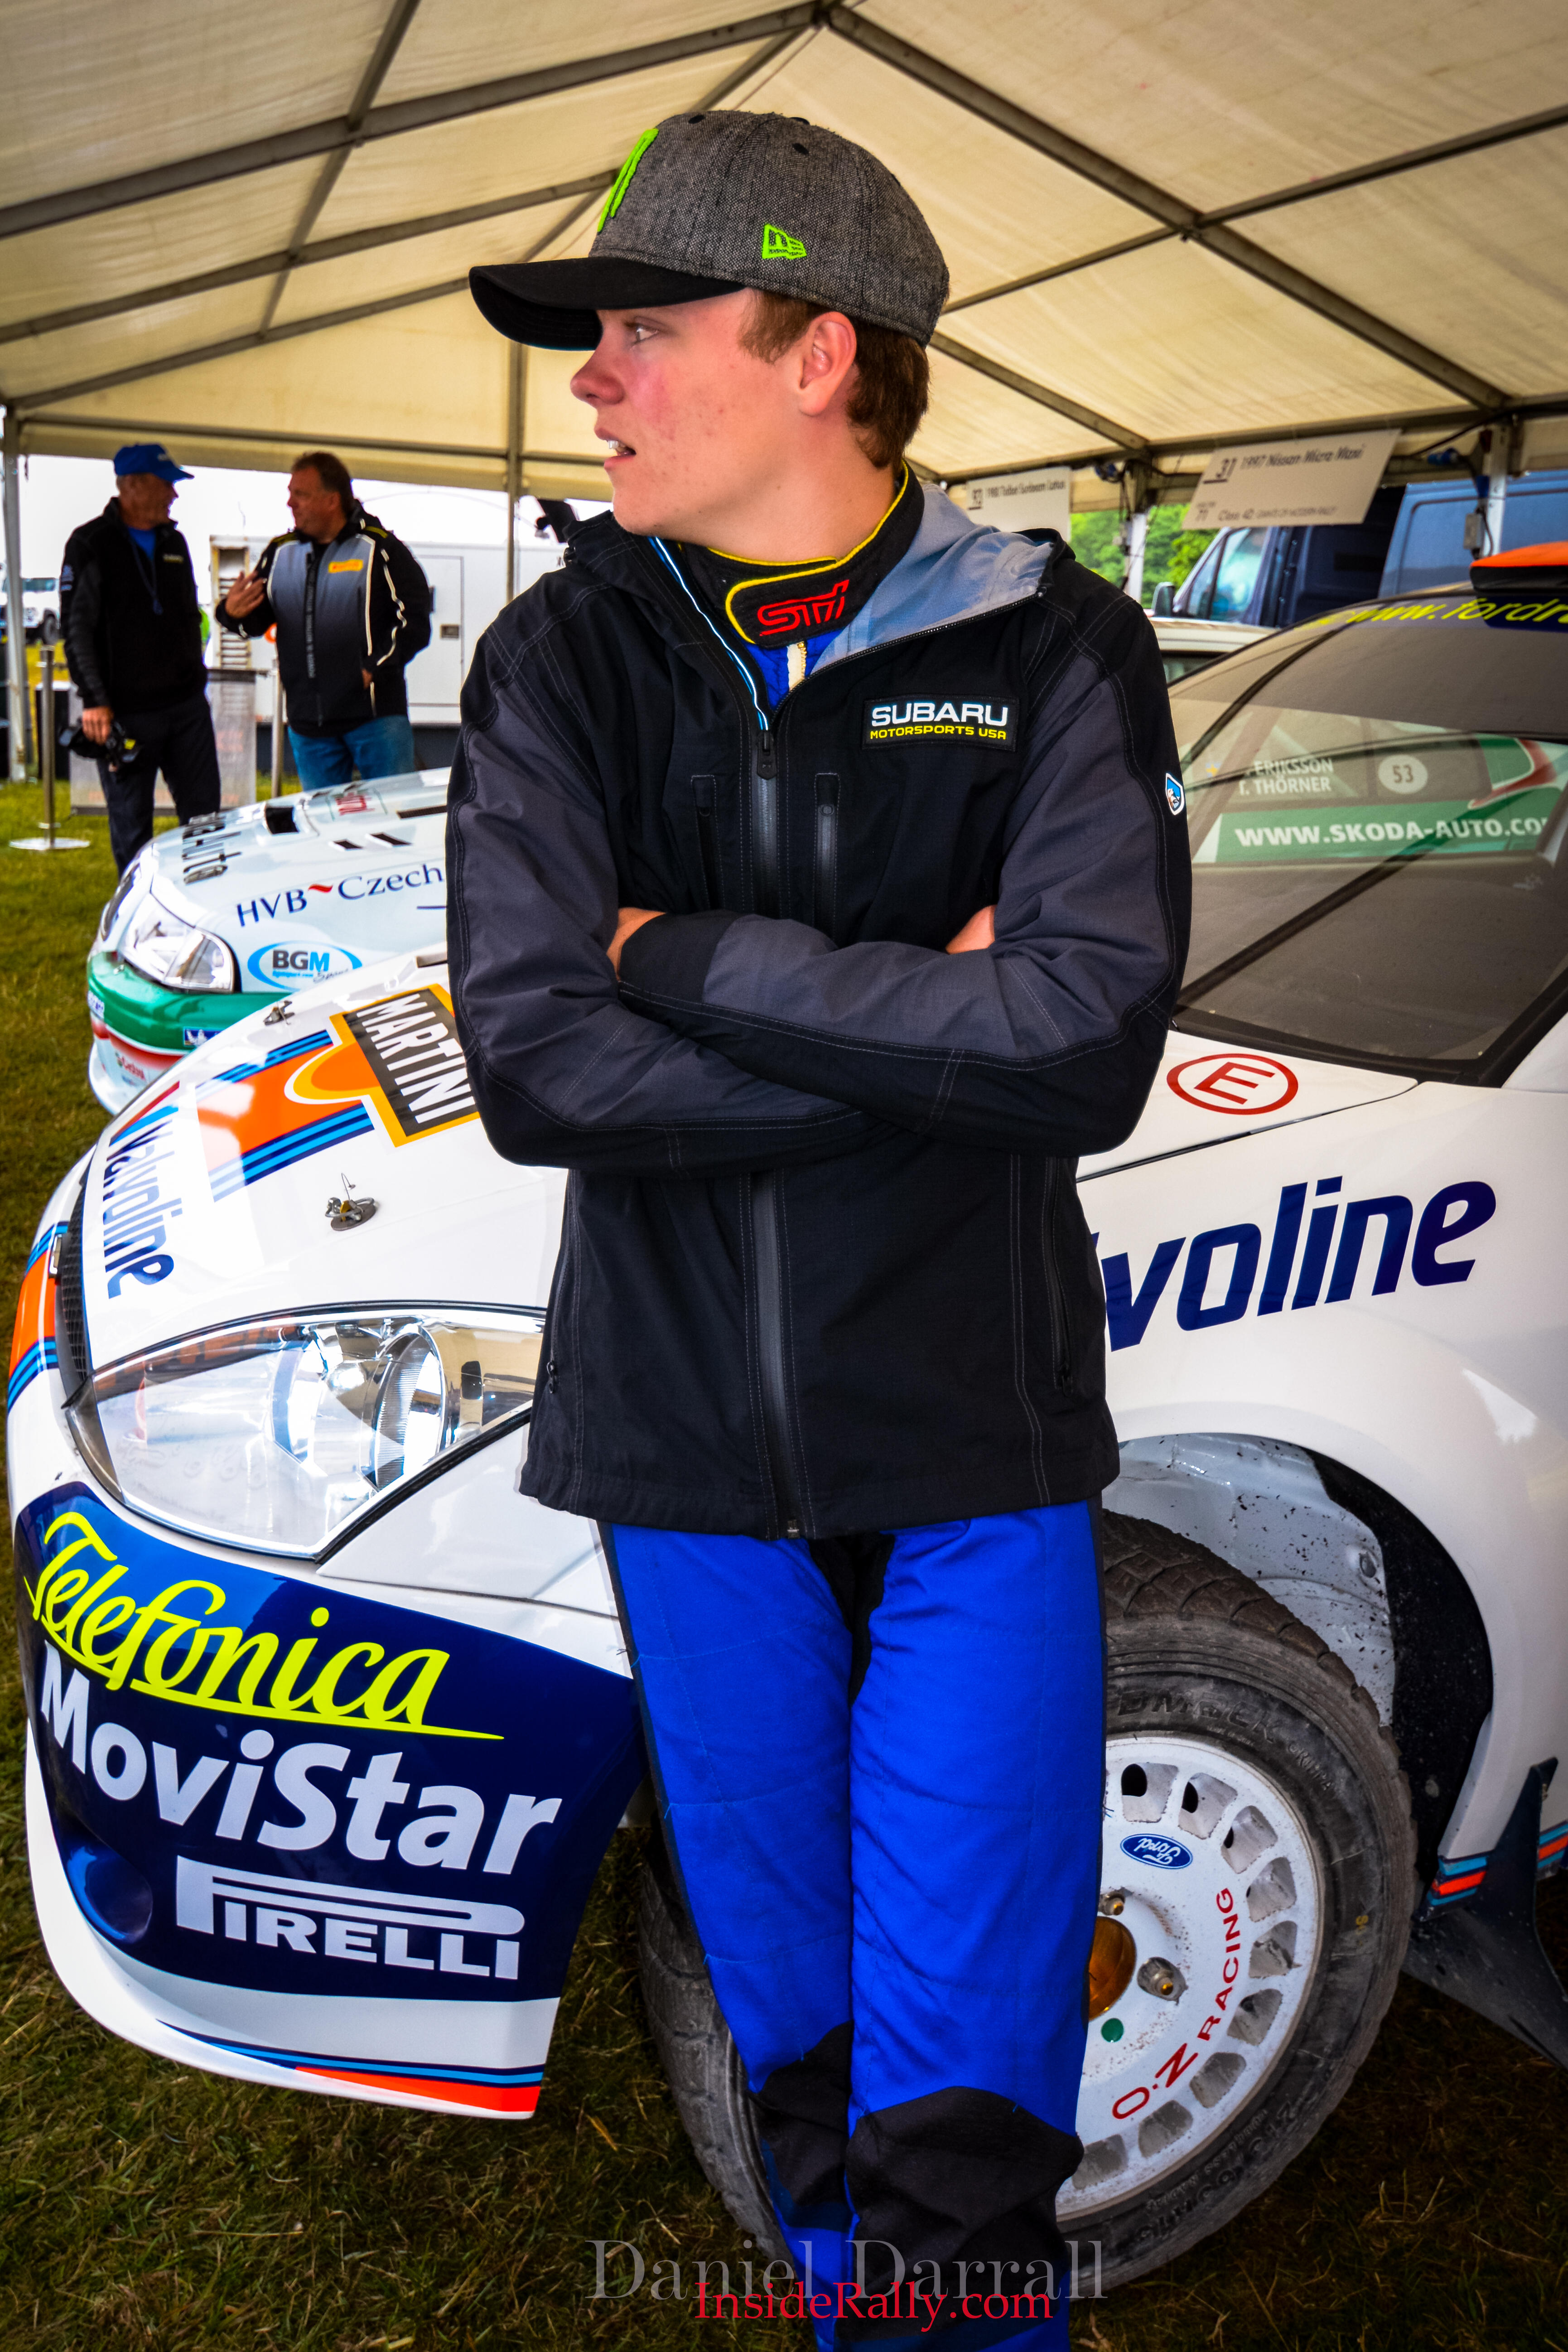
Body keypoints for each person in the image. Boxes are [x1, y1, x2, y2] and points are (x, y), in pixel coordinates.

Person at [454, 112, 1189, 2351]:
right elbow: (535, 1065)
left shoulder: (1056, 645)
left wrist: (674, 953)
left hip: (966, 1450)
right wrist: (925, 1035)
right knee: (801, 2054)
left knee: (964, 2098)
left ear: (819, 355)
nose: (591, 377)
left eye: (644, 329)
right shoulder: (558, 656)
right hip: (681, 1460)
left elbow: (1075, 1046)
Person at [217, 450, 430, 787]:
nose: (290, 503)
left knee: (393, 815)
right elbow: (253, 623)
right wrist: (230, 612)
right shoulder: (280, 553)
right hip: (309, 727)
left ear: (332, 500)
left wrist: (373, 668)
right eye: (290, 494)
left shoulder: (380, 548)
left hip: (376, 720)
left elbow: (415, 622)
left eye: (300, 494)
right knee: (321, 820)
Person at [59, 442, 220, 872]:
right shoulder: (90, 544)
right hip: (125, 714)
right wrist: (94, 700)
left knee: (206, 820)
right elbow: (76, 629)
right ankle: (138, 906)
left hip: (186, 709)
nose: (174, 494)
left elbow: (189, 616)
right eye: (166, 484)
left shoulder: (175, 541)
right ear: (132, 485)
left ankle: (206, 895)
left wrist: (196, 675)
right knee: (132, 827)